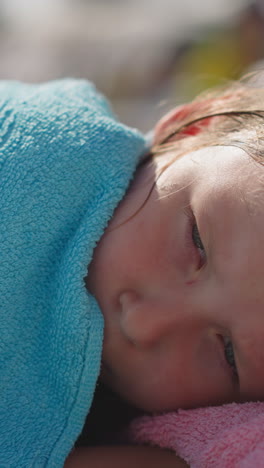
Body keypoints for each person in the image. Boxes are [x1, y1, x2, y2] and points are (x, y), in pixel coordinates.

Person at [1, 72, 264, 467]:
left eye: (228, 353)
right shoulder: (33, 150)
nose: (143, 324)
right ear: (190, 128)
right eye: (197, 243)